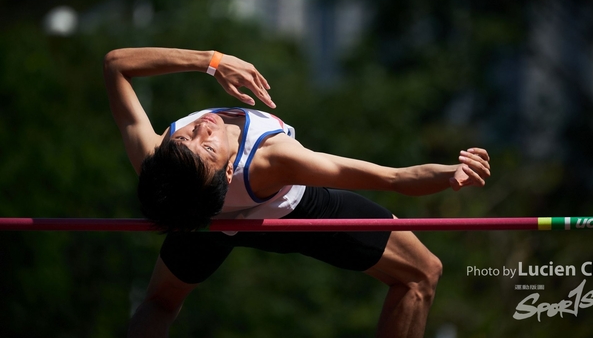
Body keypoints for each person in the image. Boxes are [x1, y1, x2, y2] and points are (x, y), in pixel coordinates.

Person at [103, 47, 491, 338]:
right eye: (206, 147)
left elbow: (116, 66)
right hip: (294, 215)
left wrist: (213, 60)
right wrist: (451, 172)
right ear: (227, 169)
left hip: (200, 225)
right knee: (421, 273)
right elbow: (393, 177)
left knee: (159, 302)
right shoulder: (274, 159)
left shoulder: (157, 161)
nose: (203, 127)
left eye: (187, 136)